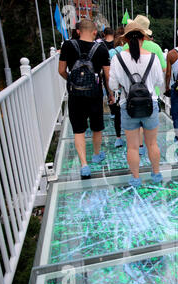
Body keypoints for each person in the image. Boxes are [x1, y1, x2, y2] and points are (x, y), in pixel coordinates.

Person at [109, 21, 164, 187]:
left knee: (132, 147)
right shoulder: (153, 58)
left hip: (128, 106)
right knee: (152, 144)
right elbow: (159, 81)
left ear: (125, 40)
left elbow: (113, 86)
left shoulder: (117, 58)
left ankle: (136, 178)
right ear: (143, 38)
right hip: (150, 105)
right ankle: (155, 175)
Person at [58, 19, 111, 179]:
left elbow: (61, 70)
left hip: (75, 95)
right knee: (96, 126)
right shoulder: (101, 49)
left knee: (79, 130)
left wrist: (71, 81)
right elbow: (107, 75)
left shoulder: (67, 45)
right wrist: (110, 94)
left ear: (78, 31)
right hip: (94, 94)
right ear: (95, 32)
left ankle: (84, 164)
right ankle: (96, 154)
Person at [123, 15, 167, 155]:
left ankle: (139, 145)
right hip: (151, 94)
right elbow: (163, 70)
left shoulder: (125, 46)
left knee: (134, 125)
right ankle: (154, 168)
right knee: (152, 138)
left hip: (129, 96)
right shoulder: (155, 48)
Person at [107, 30, 126, 148]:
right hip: (131, 89)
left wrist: (111, 92)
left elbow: (109, 74)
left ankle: (118, 138)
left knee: (118, 115)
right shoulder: (129, 52)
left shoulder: (111, 53)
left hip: (118, 89)